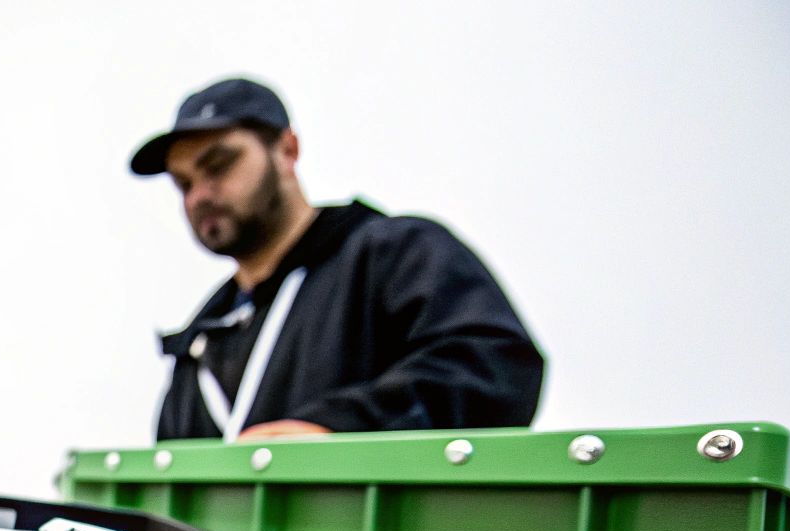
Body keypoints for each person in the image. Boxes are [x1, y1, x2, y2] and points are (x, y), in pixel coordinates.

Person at [131, 78, 546, 442]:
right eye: (183, 183)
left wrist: (342, 431)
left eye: (219, 165)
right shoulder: (201, 338)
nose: (199, 195)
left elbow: (497, 366)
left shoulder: (392, 255)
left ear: (287, 150)